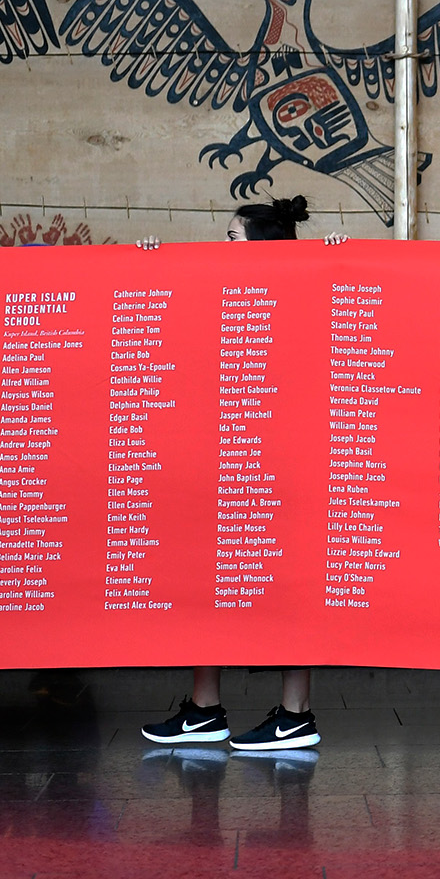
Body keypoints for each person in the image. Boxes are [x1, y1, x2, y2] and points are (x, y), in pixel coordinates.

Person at [135, 195, 344, 752]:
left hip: (290, 470)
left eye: (231, 237)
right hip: (224, 463)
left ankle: (296, 716)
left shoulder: (310, 290)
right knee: (206, 581)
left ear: (262, 245)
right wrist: (152, 263)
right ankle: (204, 711)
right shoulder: (214, 291)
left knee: (294, 589)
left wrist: (345, 262)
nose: (221, 246)